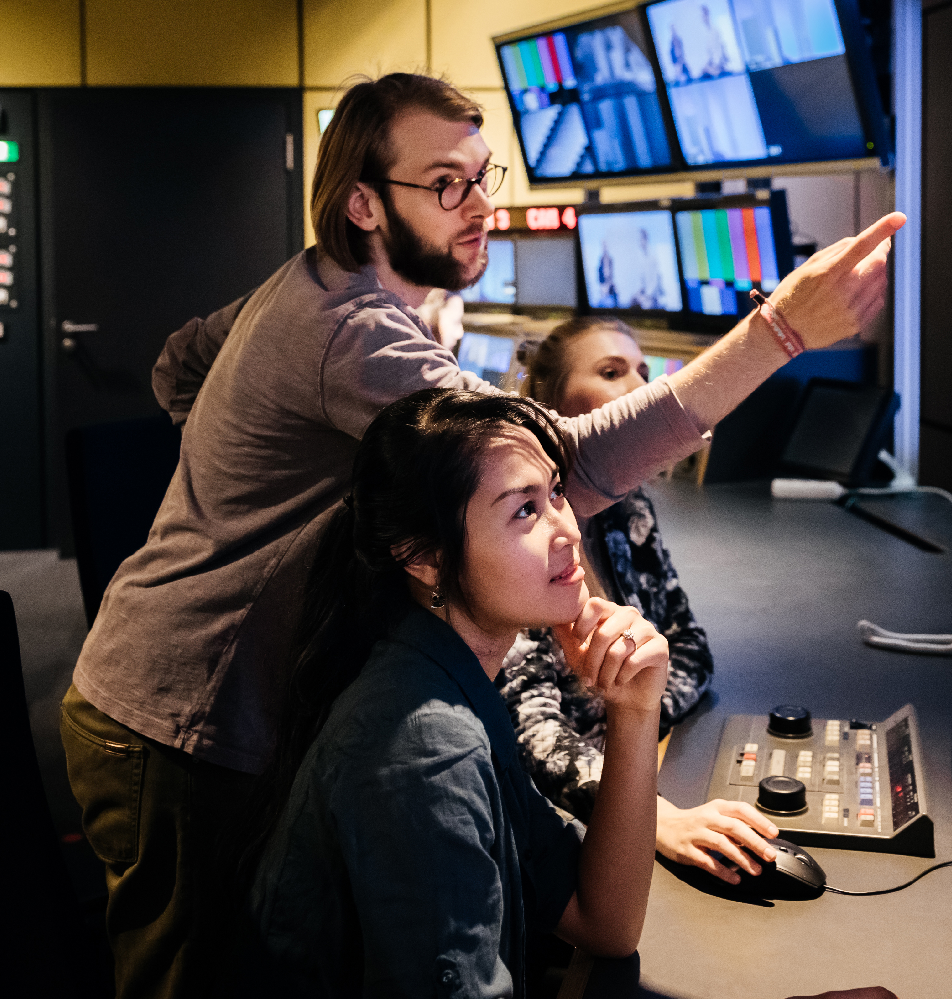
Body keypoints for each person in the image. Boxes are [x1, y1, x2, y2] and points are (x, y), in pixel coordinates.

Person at [60, 70, 902, 999]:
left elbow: (178, 365)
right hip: (185, 712)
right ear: (364, 205)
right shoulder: (350, 333)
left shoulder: (309, 282)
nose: (480, 207)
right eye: (445, 185)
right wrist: (780, 330)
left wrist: (241, 483)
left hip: (194, 681)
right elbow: (574, 460)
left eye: (481, 175)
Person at [244, 387, 895, 999]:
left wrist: (633, 709)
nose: (568, 528)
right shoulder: (427, 748)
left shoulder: (452, 680)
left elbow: (603, 921)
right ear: (426, 558)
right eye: (524, 509)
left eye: (556, 491)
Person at [502, 318, 778, 884]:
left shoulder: (628, 511)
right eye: (611, 372)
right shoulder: (516, 540)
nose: (640, 388)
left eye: (644, 372)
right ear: (552, 408)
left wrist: (635, 721)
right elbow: (530, 734)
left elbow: (690, 650)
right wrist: (654, 812)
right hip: (544, 829)